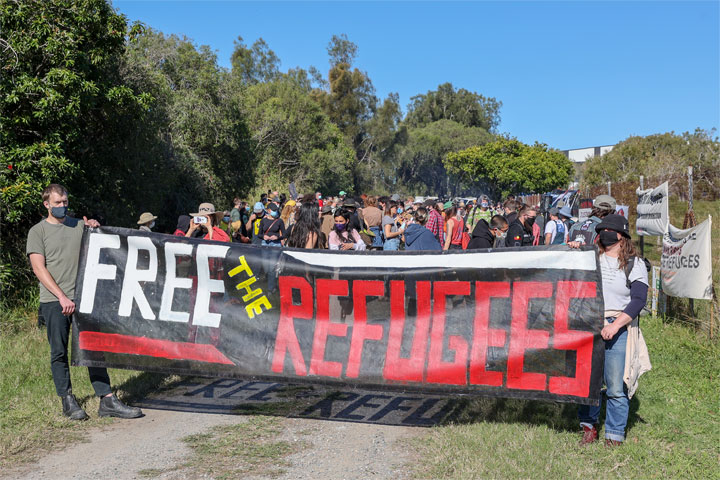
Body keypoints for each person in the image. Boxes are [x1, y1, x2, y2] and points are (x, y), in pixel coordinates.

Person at [26, 184, 142, 420]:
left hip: (84, 298)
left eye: (65, 201)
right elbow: (38, 268)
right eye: (58, 203)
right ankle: (68, 401)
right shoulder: (37, 232)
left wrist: (94, 228)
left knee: (94, 349)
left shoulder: (79, 225)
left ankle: (106, 399)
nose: (63, 206)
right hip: (54, 301)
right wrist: (61, 296)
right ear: (46, 204)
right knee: (58, 352)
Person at [571, 214, 650, 447]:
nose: (603, 233)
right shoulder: (591, 257)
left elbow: (638, 300)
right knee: (588, 382)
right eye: (600, 230)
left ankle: (614, 434)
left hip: (618, 326)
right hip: (589, 324)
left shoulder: (634, 264)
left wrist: (615, 326)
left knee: (615, 385)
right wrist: (572, 249)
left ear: (620, 235)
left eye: (608, 229)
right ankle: (588, 426)